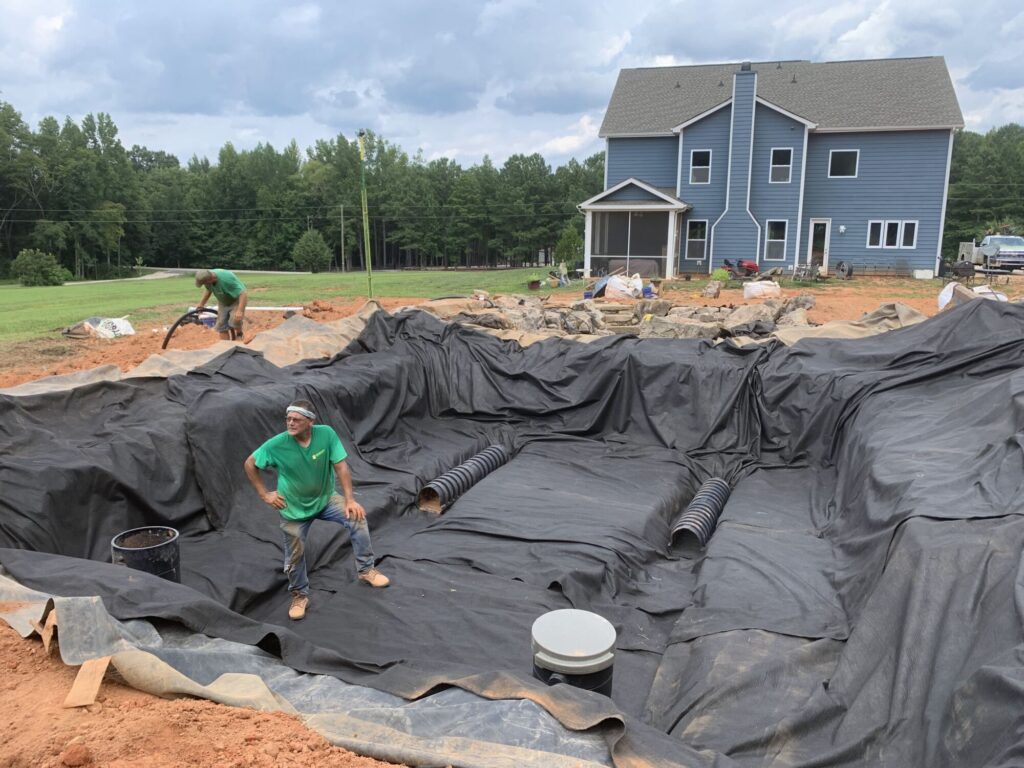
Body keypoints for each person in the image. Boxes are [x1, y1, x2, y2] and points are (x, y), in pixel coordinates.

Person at [243, 400, 389, 621]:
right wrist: (265, 494)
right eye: (288, 419)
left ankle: (366, 570)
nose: (290, 423)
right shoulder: (277, 444)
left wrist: (350, 500)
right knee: (295, 553)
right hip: (293, 508)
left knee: (357, 518)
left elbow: (341, 466)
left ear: (310, 421)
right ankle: (300, 595)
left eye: (296, 420)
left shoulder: (326, 435)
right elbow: (250, 463)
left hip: (325, 498)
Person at [194, 268, 248, 340]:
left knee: (235, 320)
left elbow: (243, 293)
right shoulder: (207, 279)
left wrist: (240, 310)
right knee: (221, 325)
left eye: (205, 283)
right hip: (223, 301)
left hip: (236, 299)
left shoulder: (226, 279)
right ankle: (225, 345)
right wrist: (201, 304)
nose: (205, 285)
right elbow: (208, 290)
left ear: (210, 279)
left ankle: (239, 334)